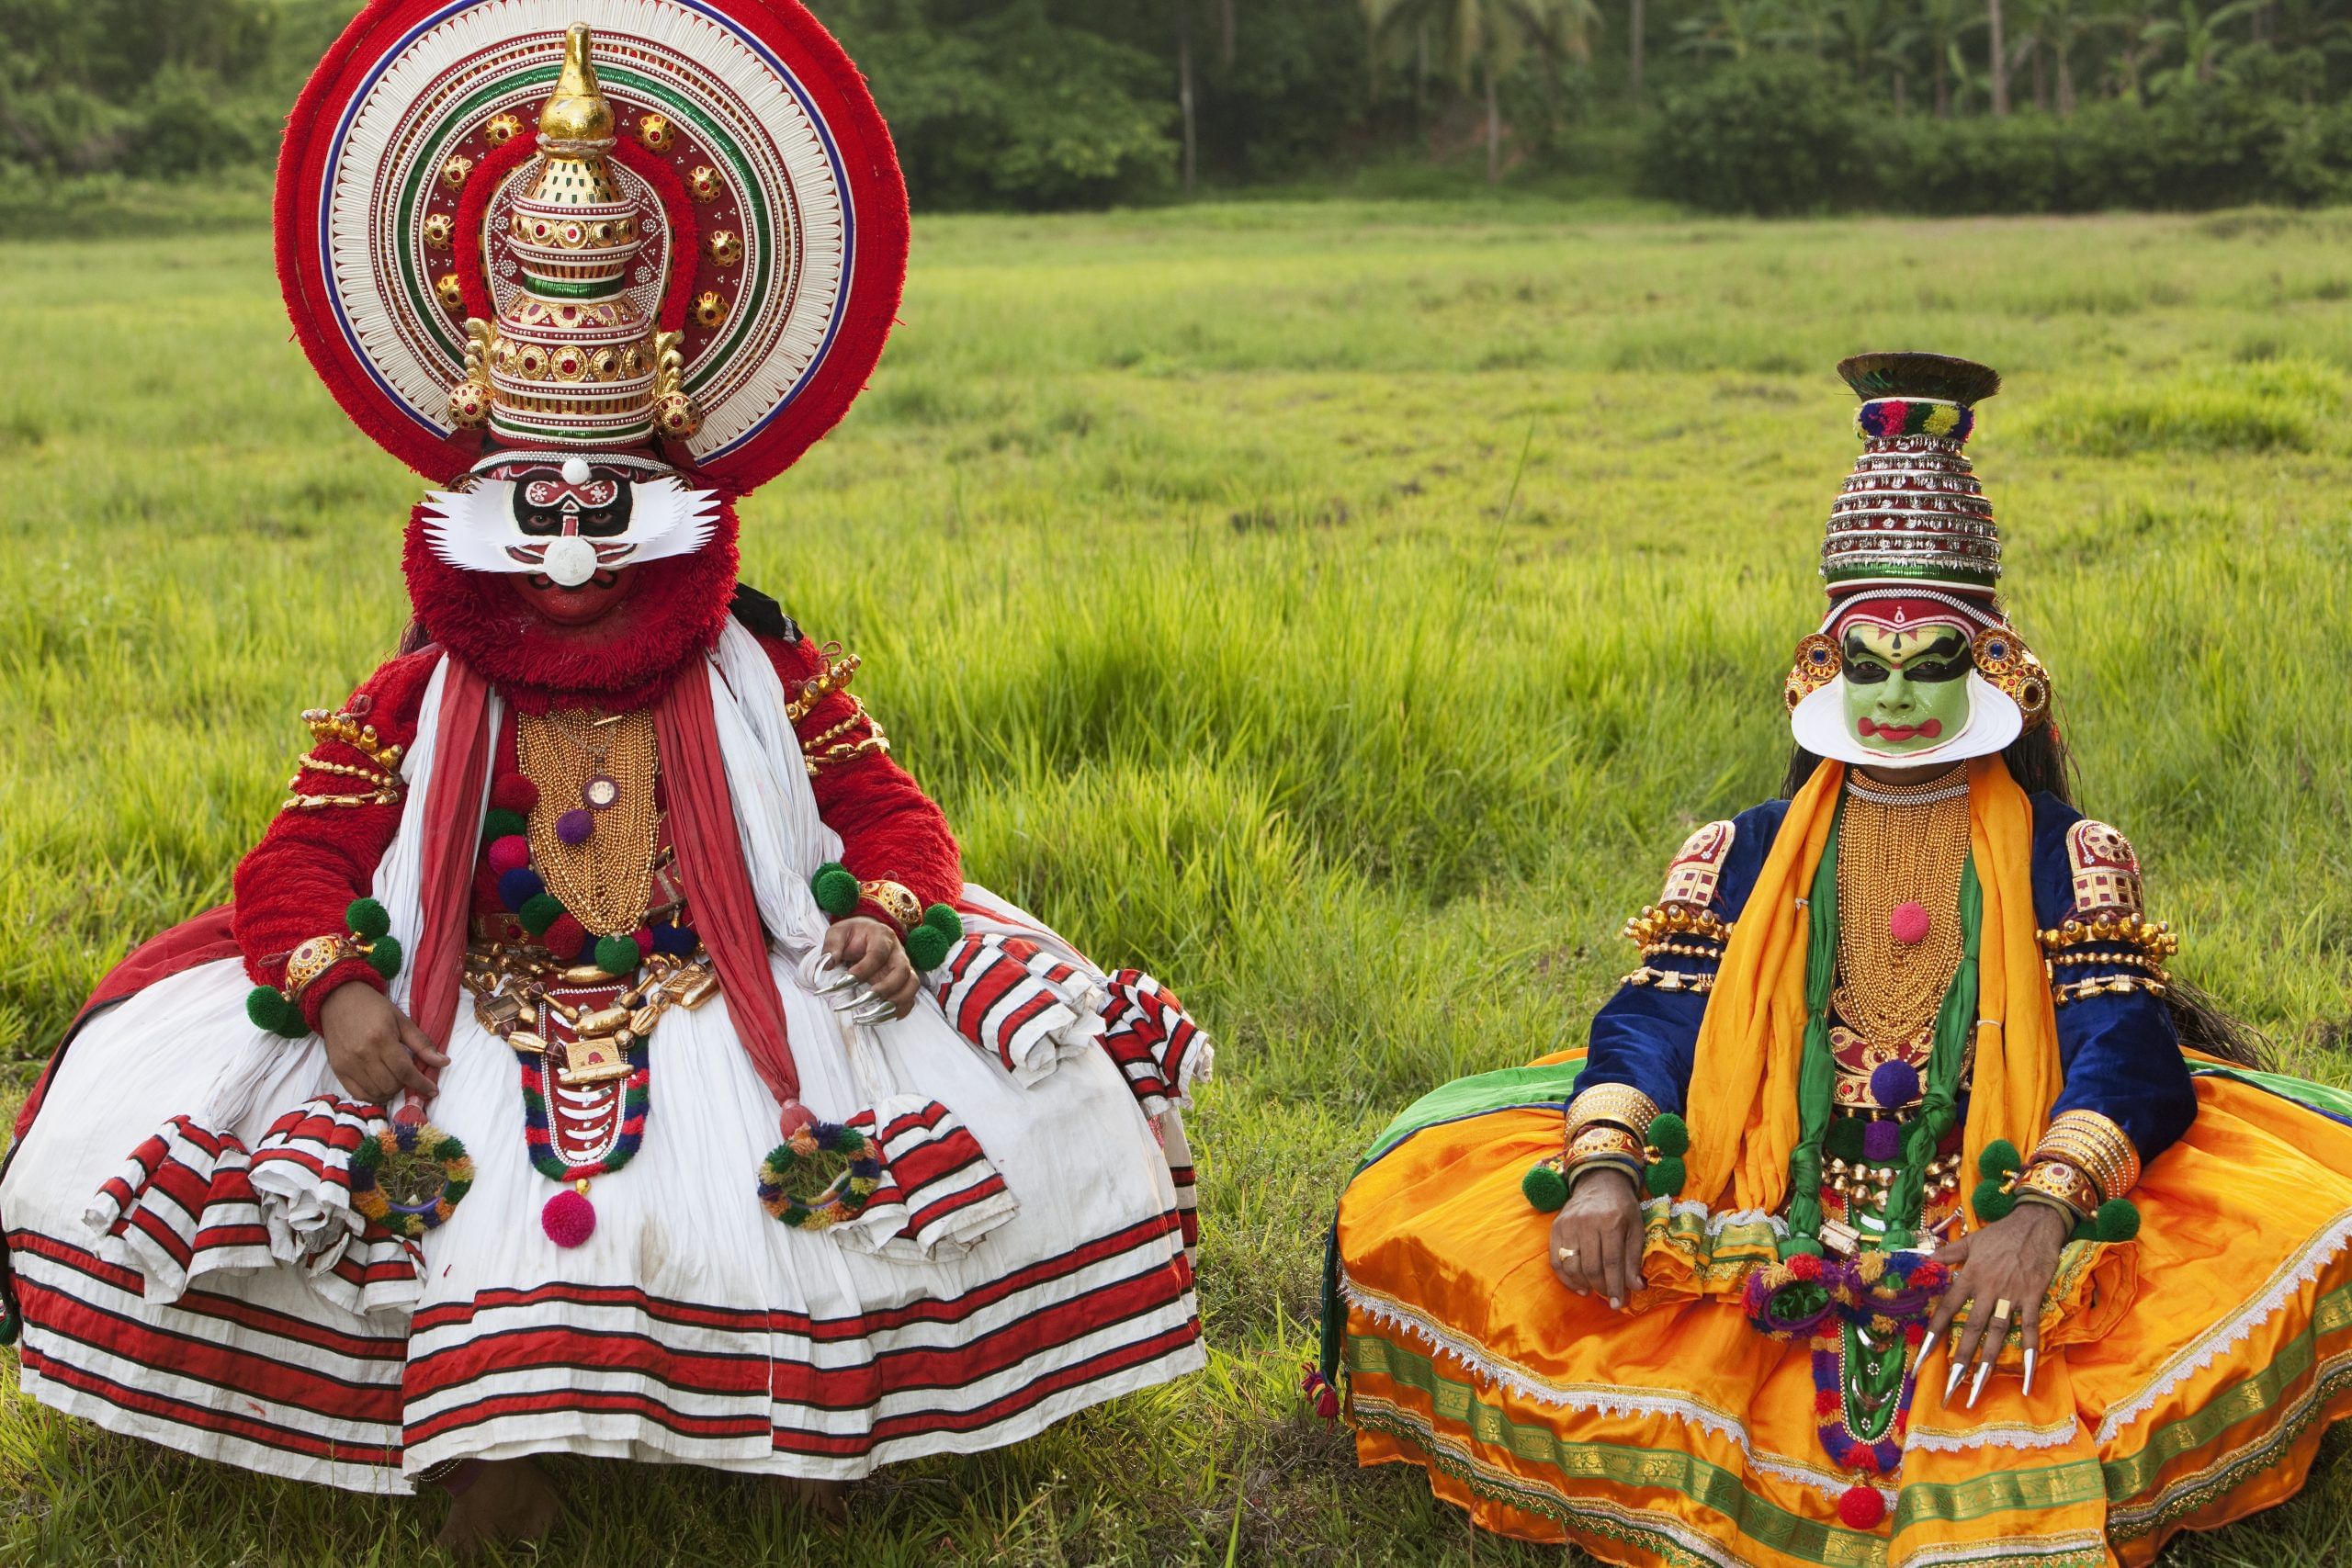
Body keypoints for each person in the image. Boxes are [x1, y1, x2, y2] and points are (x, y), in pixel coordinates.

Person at [0, 6, 1206, 1552]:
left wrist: (891, 914)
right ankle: (498, 1451)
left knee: (904, 1143)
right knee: (461, 1187)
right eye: (536, 498)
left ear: (678, 483)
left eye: (610, 498)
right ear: (478, 492)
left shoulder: (764, 671)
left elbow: (886, 818)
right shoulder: (423, 692)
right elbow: (298, 856)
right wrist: (338, 993)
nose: (572, 543)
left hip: (729, 980)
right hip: (467, 994)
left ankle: (807, 1416)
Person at [1315, 352, 2352, 1566]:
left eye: (1933, 667)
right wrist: (1604, 1167)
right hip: (1761, 1179)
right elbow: (1655, 1020)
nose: (1901, 697)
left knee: (2313, 1228)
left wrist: (2039, 1215)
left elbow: (2124, 1053)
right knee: (1419, 1213)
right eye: (1871, 664)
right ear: (1824, 670)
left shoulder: (2075, 852)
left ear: (1993, 671)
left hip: (1998, 1171)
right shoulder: (1738, 851)